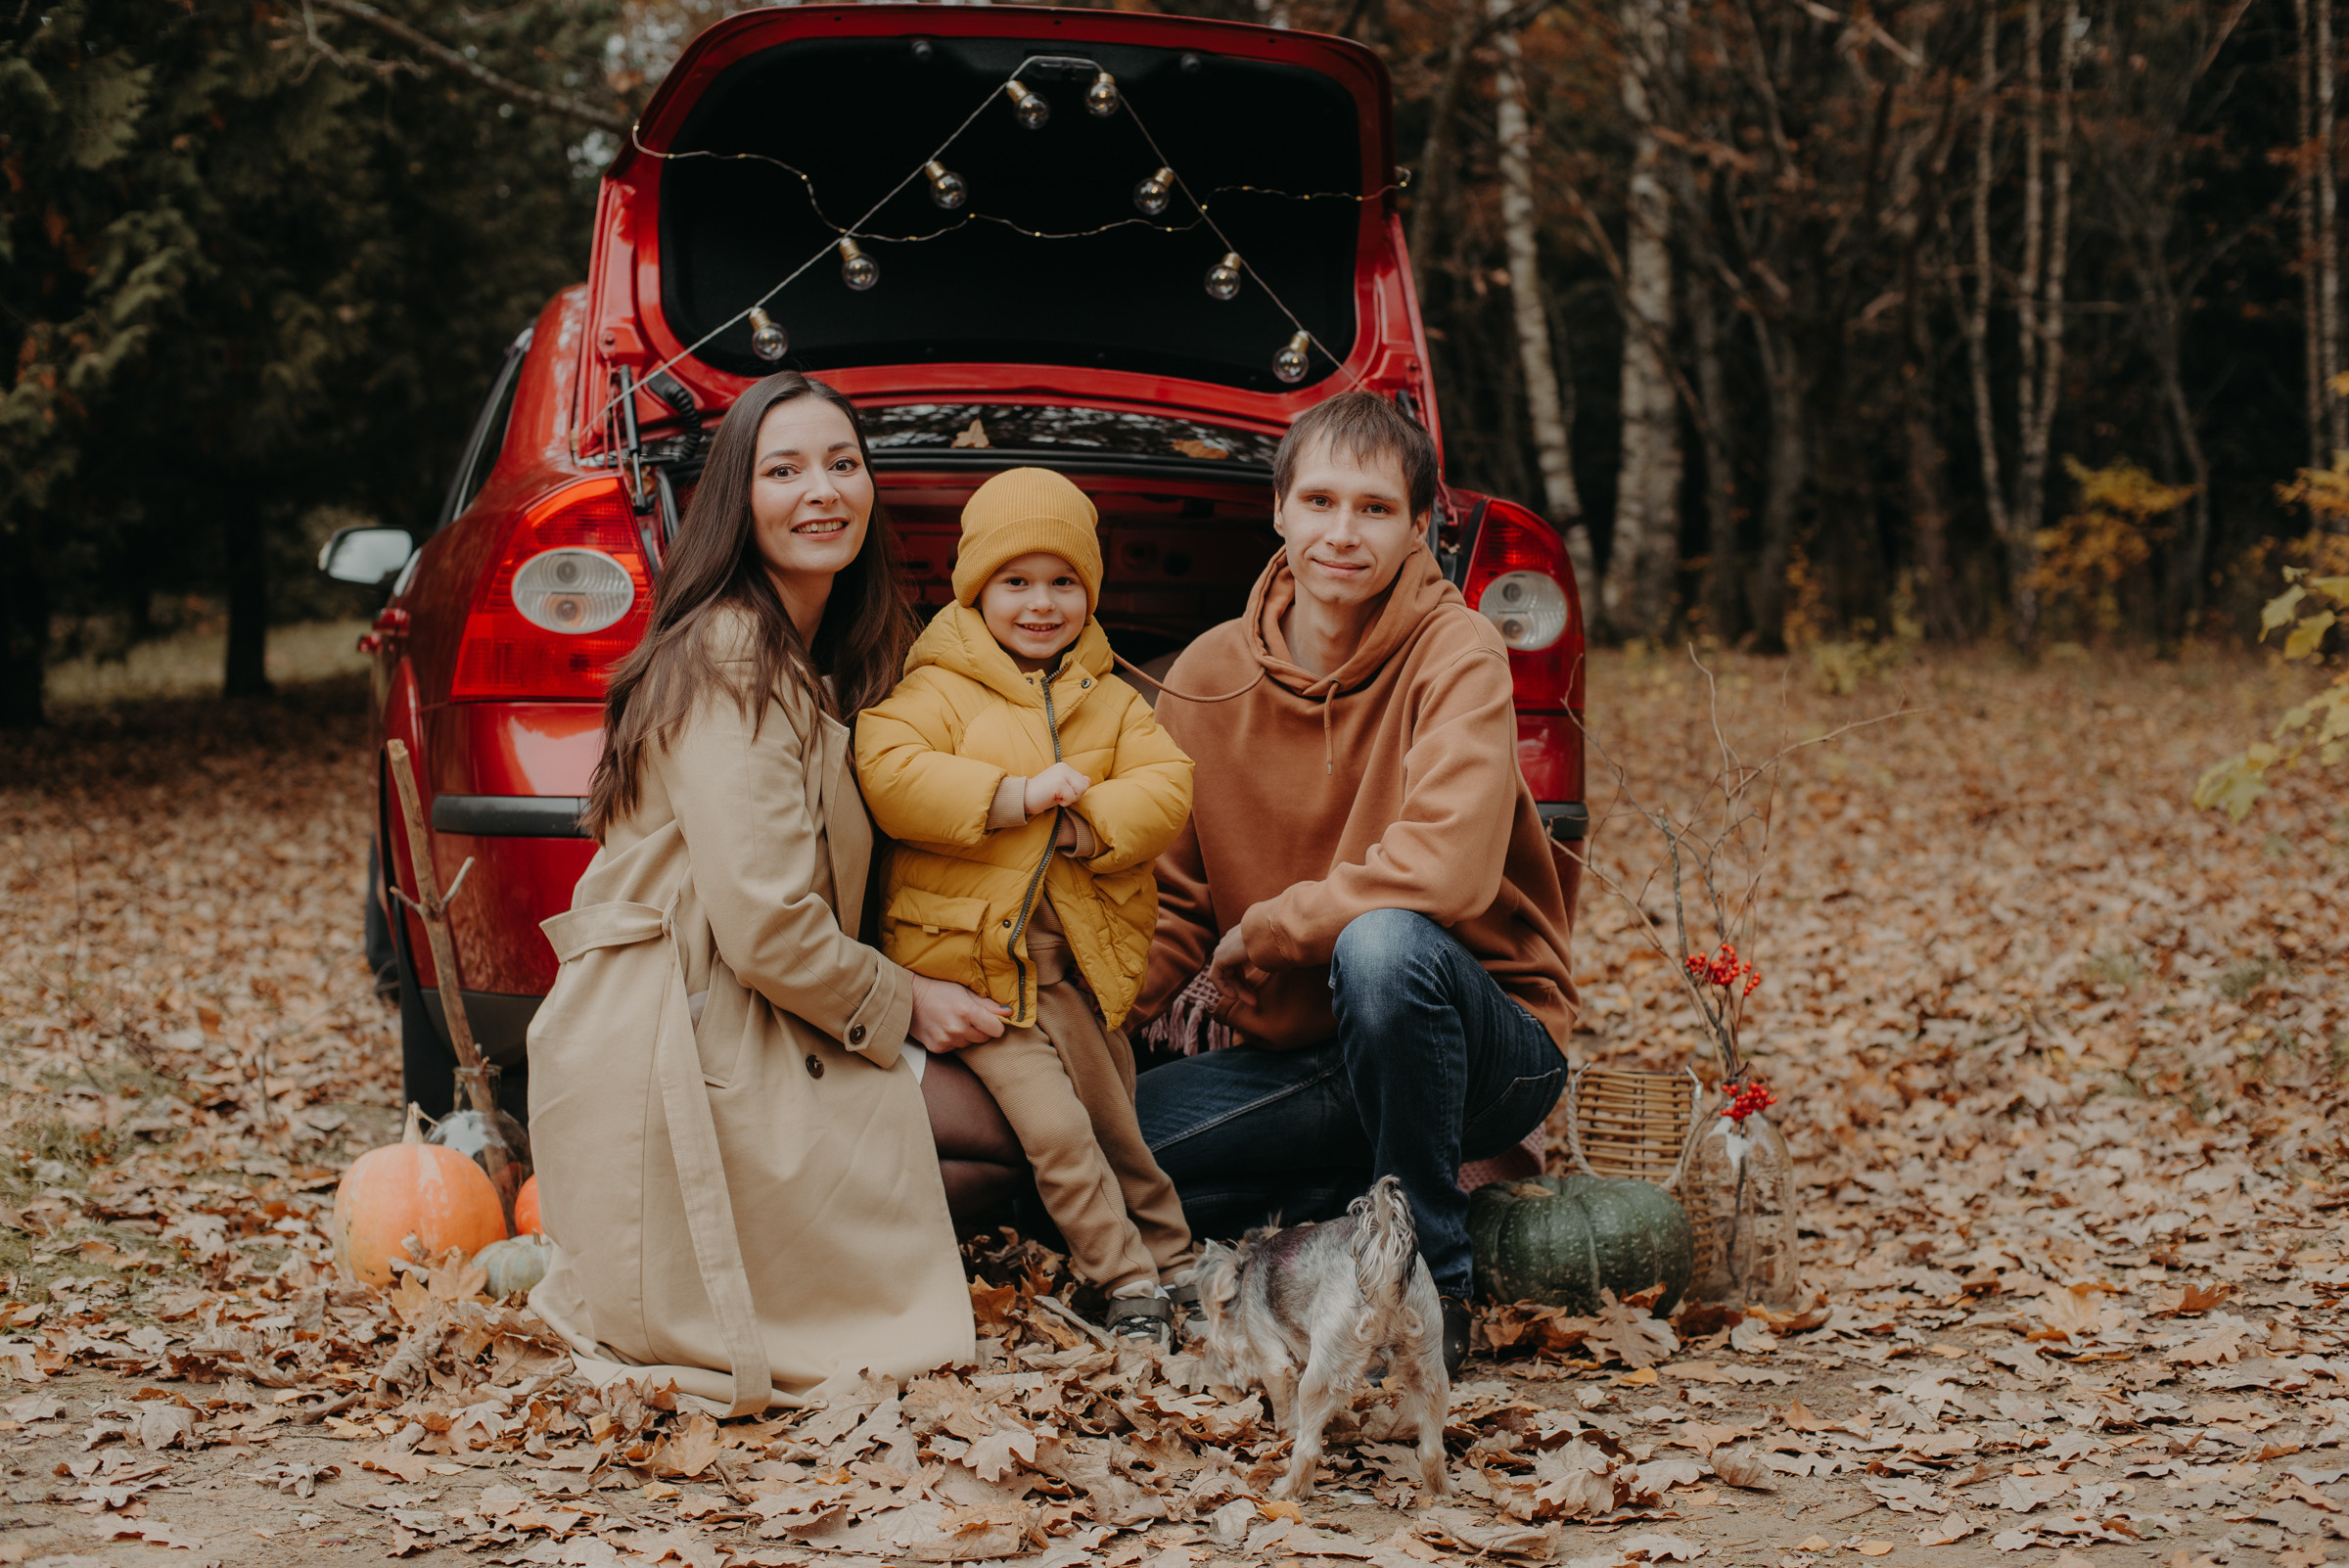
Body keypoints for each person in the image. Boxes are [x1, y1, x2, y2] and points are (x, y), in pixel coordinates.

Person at [525, 371, 1014, 1413]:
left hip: (739, 1018)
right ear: (737, 503)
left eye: (842, 464)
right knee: (1011, 1137)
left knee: (1017, 1125)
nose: (821, 490)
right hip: (691, 1040)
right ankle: (756, 1256)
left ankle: (799, 1247)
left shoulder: (809, 654)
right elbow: (768, 927)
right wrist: (908, 1002)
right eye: (783, 470)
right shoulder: (732, 653)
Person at [1132, 391, 1580, 1375]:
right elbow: (1171, 908)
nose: (1343, 533)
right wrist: (1075, 1026)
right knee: (1092, 1155)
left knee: (1384, 944)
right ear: (1279, 510)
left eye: (1375, 509)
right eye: (1321, 502)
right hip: (1306, 1057)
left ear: (1419, 528)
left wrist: (1261, 933)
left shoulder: (1457, 650)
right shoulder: (1205, 674)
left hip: (1478, 1041)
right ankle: (1340, 1207)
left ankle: (1431, 1292)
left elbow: (1443, 874)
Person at [856, 468, 1197, 1346]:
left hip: (1071, 971)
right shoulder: (936, 687)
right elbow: (890, 771)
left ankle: (1177, 1261)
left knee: (1118, 1126)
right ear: (976, 586)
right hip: (979, 972)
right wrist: (1012, 798)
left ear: (1091, 591)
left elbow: (1167, 785)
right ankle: (1125, 1283)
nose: (1041, 604)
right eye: (1015, 580)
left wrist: (1081, 826)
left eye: (1063, 582)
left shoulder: (1109, 697)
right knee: (1058, 1133)